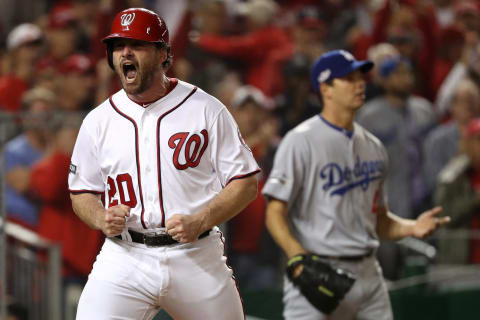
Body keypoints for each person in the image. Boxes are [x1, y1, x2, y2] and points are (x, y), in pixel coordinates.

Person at [68, 8, 260, 320]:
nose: (125, 52)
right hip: (124, 256)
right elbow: (81, 193)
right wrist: (101, 217)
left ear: (162, 54)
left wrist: (201, 219)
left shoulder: (206, 109)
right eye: (118, 45)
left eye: (137, 44)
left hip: (195, 254)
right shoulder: (98, 121)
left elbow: (245, 183)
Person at [262, 49, 450, 320]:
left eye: (360, 76)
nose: (360, 83)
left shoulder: (374, 147)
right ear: (326, 88)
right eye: (348, 78)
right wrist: (298, 258)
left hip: (369, 273)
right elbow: (274, 212)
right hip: (318, 267)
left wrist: (412, 227)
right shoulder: (300, 141)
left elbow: (380, 221)